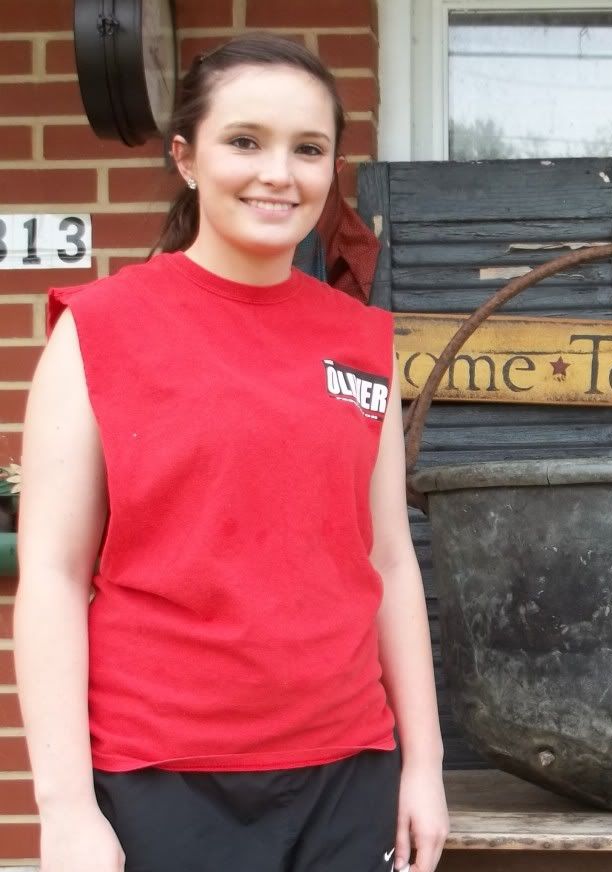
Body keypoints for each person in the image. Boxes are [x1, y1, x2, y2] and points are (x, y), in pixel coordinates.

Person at [13, 33, 448, 872]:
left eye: (308, 149)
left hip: (347, 772)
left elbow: (390, 560)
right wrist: (64, 807)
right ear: (185, 157)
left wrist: (423, 766)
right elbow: (53, 576)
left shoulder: (363, 342)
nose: (278, 173)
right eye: (244, 141)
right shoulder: (99, 330)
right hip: (162, 776)